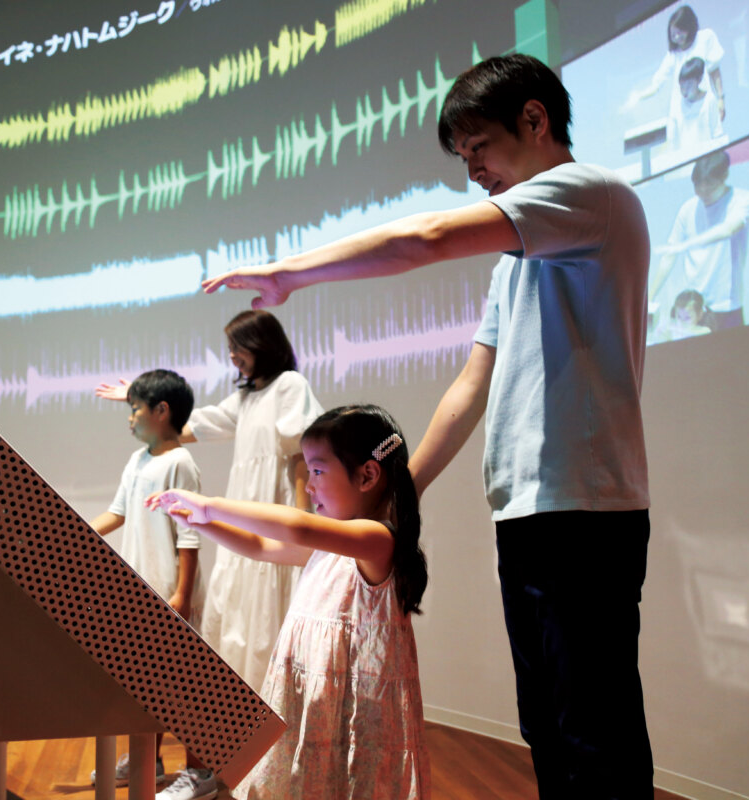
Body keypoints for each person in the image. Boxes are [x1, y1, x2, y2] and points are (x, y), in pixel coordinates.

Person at [203, 54, 654, 798]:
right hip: (527, 510)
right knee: (547, 725)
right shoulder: (515, 264)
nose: (472, 171)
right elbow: (471, 387)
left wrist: (293, 274)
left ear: (535, 119)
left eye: (479, 147)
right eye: (463, 155)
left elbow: (429, 236)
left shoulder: (591, 193)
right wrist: (395, 493)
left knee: (593, 730)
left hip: (587, 509)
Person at [146, 404, 430, 800]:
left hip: (356, 709)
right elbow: (260, 546)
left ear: (368, 475)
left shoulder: (377, 540)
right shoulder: (333, 546)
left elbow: (297, 526)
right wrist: (201, 522)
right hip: (316, 700)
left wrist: (209, 505)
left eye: (318, 471)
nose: (309, 486)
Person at [97, 310, 322, 798]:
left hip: (270, 513)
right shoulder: (247, 398)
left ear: (262, 345)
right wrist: (140, 396)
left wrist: (301, 519)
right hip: (242, 520)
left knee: (264, 629)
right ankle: (231, 753)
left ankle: (265, 756)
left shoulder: (289, 386)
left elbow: (302, 451)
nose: (233, 357)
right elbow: (194, 424)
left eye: (239, 347)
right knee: (232, 634)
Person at [88, 369, 204, 791]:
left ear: (162, 411)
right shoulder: (137, 460)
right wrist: (72, 530)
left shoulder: (181, 463)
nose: (129, 417)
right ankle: (147, 760)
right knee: (147, 684)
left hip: (171, 591)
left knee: (184, 688)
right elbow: (117, 513)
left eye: (135, 408)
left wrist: (182, 594)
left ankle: (200, 770)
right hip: (141, 589)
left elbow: (189, 535)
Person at [649, 150, 749, 330]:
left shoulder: (742, 200)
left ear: (725, 177)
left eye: (710, 187)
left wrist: (684, 246)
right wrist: (650, 297)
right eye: (698, 187)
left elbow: (729, 229)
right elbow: (669, 256)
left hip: (727, 305)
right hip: (694, 306)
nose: (703, 193)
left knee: (733, 347)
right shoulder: (688, 209)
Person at [623, 5, 726, 125]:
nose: (677, 37)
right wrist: (637, 97)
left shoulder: (705, 38)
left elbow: (714, 70)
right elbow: (657, 84)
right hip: (682, 115)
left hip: (704, 106)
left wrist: (720, 99)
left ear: (688, 26)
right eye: (673, 35)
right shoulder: (673, 55)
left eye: (680, 32)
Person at [667, 57, 725, 158]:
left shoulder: (709, 100)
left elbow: (717, 134)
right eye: (682, 85)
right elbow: (672, 142)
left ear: (699, 80)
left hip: (707, 159)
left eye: (689, 84)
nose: (685, 90)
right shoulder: (676, 105)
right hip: (684, 160)